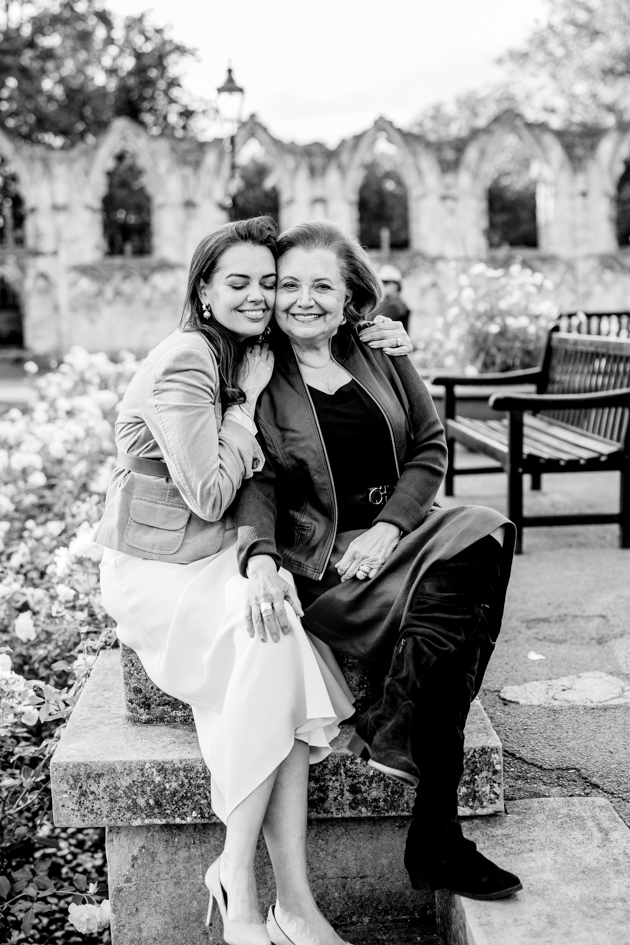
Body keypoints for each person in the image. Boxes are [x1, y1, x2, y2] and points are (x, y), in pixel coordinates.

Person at [95, 216, 380, 945]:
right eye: (239, 282)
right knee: (275, 651)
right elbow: (210, 494)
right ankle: (251, 889)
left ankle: (277, 896)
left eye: (267, 282)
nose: (259, 295)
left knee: (277, 641)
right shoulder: (189, 360)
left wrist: (384, 332)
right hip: (161, 568)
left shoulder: (244, 349)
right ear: (204, 290)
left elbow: (334, 322)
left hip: (213, 556)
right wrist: (244, 406)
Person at [236, 221, 523, 904]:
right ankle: (437, 838)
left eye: (322, 285)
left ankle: (398, 732)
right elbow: (258, 480)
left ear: (350, 296)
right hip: (332, 560)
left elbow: (429, 445)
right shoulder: (258, 372)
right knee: (451, 634)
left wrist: (391, 527)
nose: (304, 300)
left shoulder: (378, 351)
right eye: (290, 285)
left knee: (483, 531)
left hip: (402, 535)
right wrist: (259, 557)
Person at [371, 263, 410, 334]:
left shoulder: (396, 305)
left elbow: (372, 323)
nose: (382, 285)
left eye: (386, 282)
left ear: (397, 285)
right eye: (380, 282)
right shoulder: (385, 303)